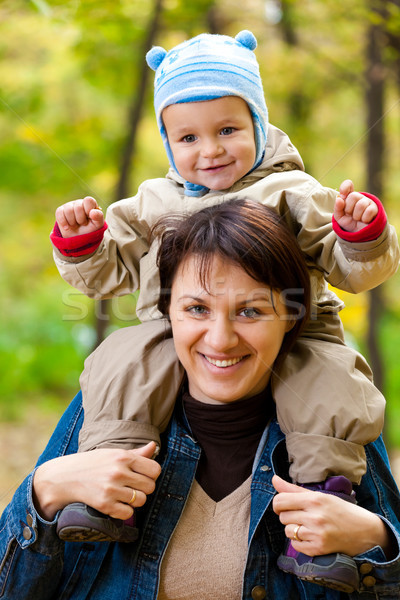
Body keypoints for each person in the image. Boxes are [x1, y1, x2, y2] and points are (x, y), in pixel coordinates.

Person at [49, 30, 399, 574]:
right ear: (168, 144)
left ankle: (323, 496)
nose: (209, 150)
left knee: (332, 384)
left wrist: (359, 235)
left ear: (259, 126)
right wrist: (83, 243)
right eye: (187, 138)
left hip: (296, 333)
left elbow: (348, 267)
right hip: (170, 332)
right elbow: (108, 272)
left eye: (228, 130)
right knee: (120, 360)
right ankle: (111, 469)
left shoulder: (293, 193)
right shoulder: (153, 202)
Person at [2, 200, 400, 599]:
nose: (220, 339)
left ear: (291, 317)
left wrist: (376, 539)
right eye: (196, 309)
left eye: (249, 311)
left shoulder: (340, 422)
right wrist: (44, 490)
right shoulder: (105, 412)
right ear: (167, 313)